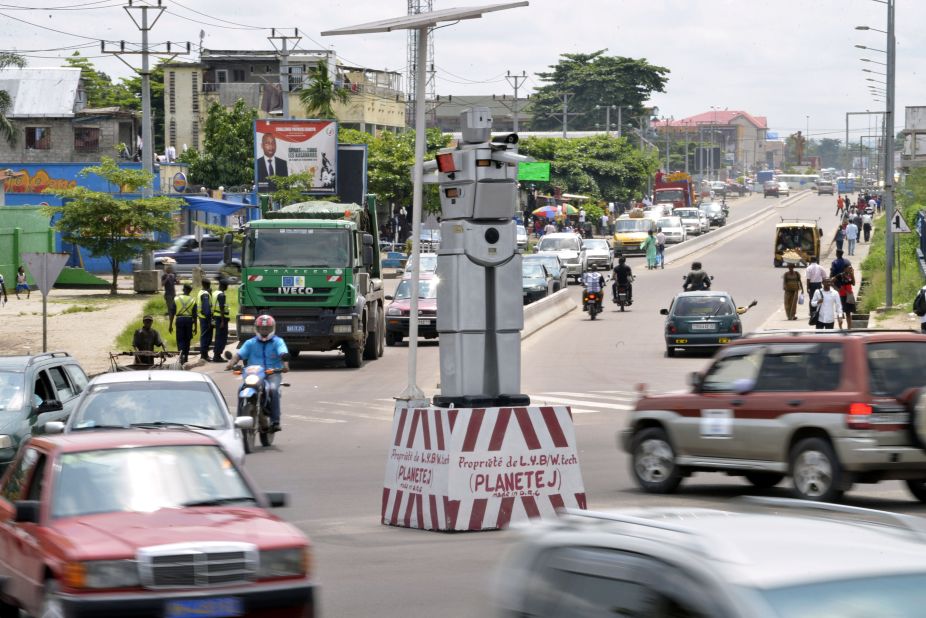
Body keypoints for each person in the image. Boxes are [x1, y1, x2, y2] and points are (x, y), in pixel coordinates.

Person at [225, 315, 289, 432]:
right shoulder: (250, 343)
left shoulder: (278, 342)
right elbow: (239, 355)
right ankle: (240, 419)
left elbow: (283, 352)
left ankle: (275, 421)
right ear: (256, 329)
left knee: (273, 389)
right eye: (262, 329)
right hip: (253, 374)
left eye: (267, 329)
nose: (264, 331)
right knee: (241, 389)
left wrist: (285, 363)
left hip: (272, 373)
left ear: (272, 329)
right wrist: (231, 363)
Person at [170, 283, 197, 364]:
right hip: (189, 320)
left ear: (183, 289)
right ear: (190, 291)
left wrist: (170, 325)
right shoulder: (193, 300)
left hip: (179, 320)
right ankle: (186, 357)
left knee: (180, 339)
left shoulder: (176, 299)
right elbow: (195, 315)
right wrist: (195, 326)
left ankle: (181, 356)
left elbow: (172, 313)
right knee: (187, 339)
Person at [211, 278, 230, 362]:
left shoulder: (214, 293)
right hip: (221, 319)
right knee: (222, 338)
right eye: (226, 286)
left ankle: (216, 355)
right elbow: (221, 308)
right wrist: (222, 321)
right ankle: (217, 356)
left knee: (218, 337)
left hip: (216, 317)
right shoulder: (222, 295)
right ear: (223, 286)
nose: (227, 287)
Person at [197, 279, 213, 362]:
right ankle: (204, 355)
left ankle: (204, 355)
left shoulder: (201, 292)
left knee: (204, 336)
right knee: (206, 337)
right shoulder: (205, 294)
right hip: (205, 318)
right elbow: (207, 309)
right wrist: (209, 320)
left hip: (201, 317)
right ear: (208, 285)